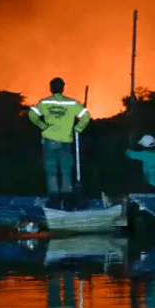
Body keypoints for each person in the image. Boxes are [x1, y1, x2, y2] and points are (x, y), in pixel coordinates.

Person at [28, 77, 90, 209]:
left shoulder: (45, 103)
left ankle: (54, 201)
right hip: (66, 141)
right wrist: (78, 129)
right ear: (62, 88)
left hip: (49, 141)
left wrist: (42, 125)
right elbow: (86, 116)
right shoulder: (72, 103)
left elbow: (31, 114)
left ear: (51, 88)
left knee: (51, 171)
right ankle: (67, 201)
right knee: (66, 171)